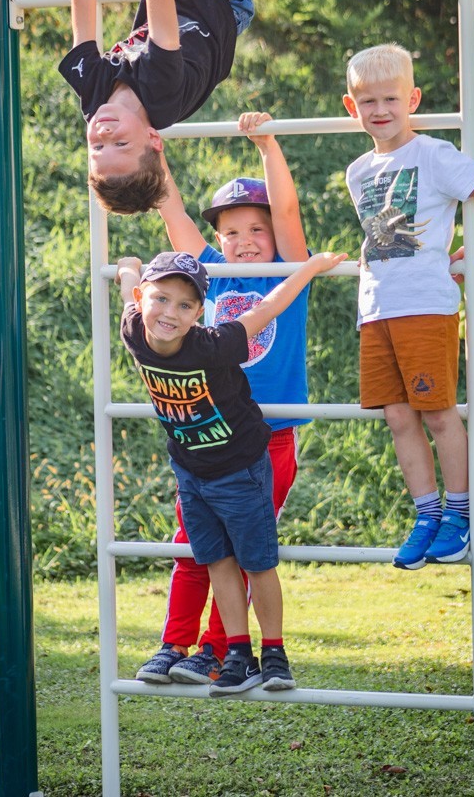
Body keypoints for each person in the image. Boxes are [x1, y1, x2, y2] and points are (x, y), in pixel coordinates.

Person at [117, 248, 346, 694]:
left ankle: (274, 654)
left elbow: (269, 306)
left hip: (240, 466)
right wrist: (127, 265)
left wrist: (313, 267)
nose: (170, 313)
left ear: (200, 313)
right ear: (144, 297)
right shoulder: (133, 329)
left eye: (185, 306)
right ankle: (238, 652)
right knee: (215, 559)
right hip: (190, 470)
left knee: (256, 562)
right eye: (161, 299)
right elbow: (128, 286)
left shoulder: (214, 343)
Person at [135, 112, 311, 687]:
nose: (245, 241)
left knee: (243, 547)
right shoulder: (207, 279)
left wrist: (267, 146)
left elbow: (287, 213)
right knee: (195, 545)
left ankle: (218, 649)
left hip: (268, 439)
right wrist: (152, 152)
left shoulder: (286, 273)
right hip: (207, 436)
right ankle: (175, 643)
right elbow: (172, 213)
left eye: (256, 230)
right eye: (231, 232)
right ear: (217, 242)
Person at [342, 43, 474, 570]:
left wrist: (470, 250)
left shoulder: (435, 155)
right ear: (351, 107)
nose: (380, 110)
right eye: (367, 100)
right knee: (398, 417)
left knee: (437, 413)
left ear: (412, 98)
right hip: (376, 308)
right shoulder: (357, 171)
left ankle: (460, 517)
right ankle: (427, 514)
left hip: (425, 305)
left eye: (391, 99)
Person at [59, 0, 317, 215]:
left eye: (98, 151)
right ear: (153, 139)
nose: (103, 136)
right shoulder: (161, 91)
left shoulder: (93, 95)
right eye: (121, 143)